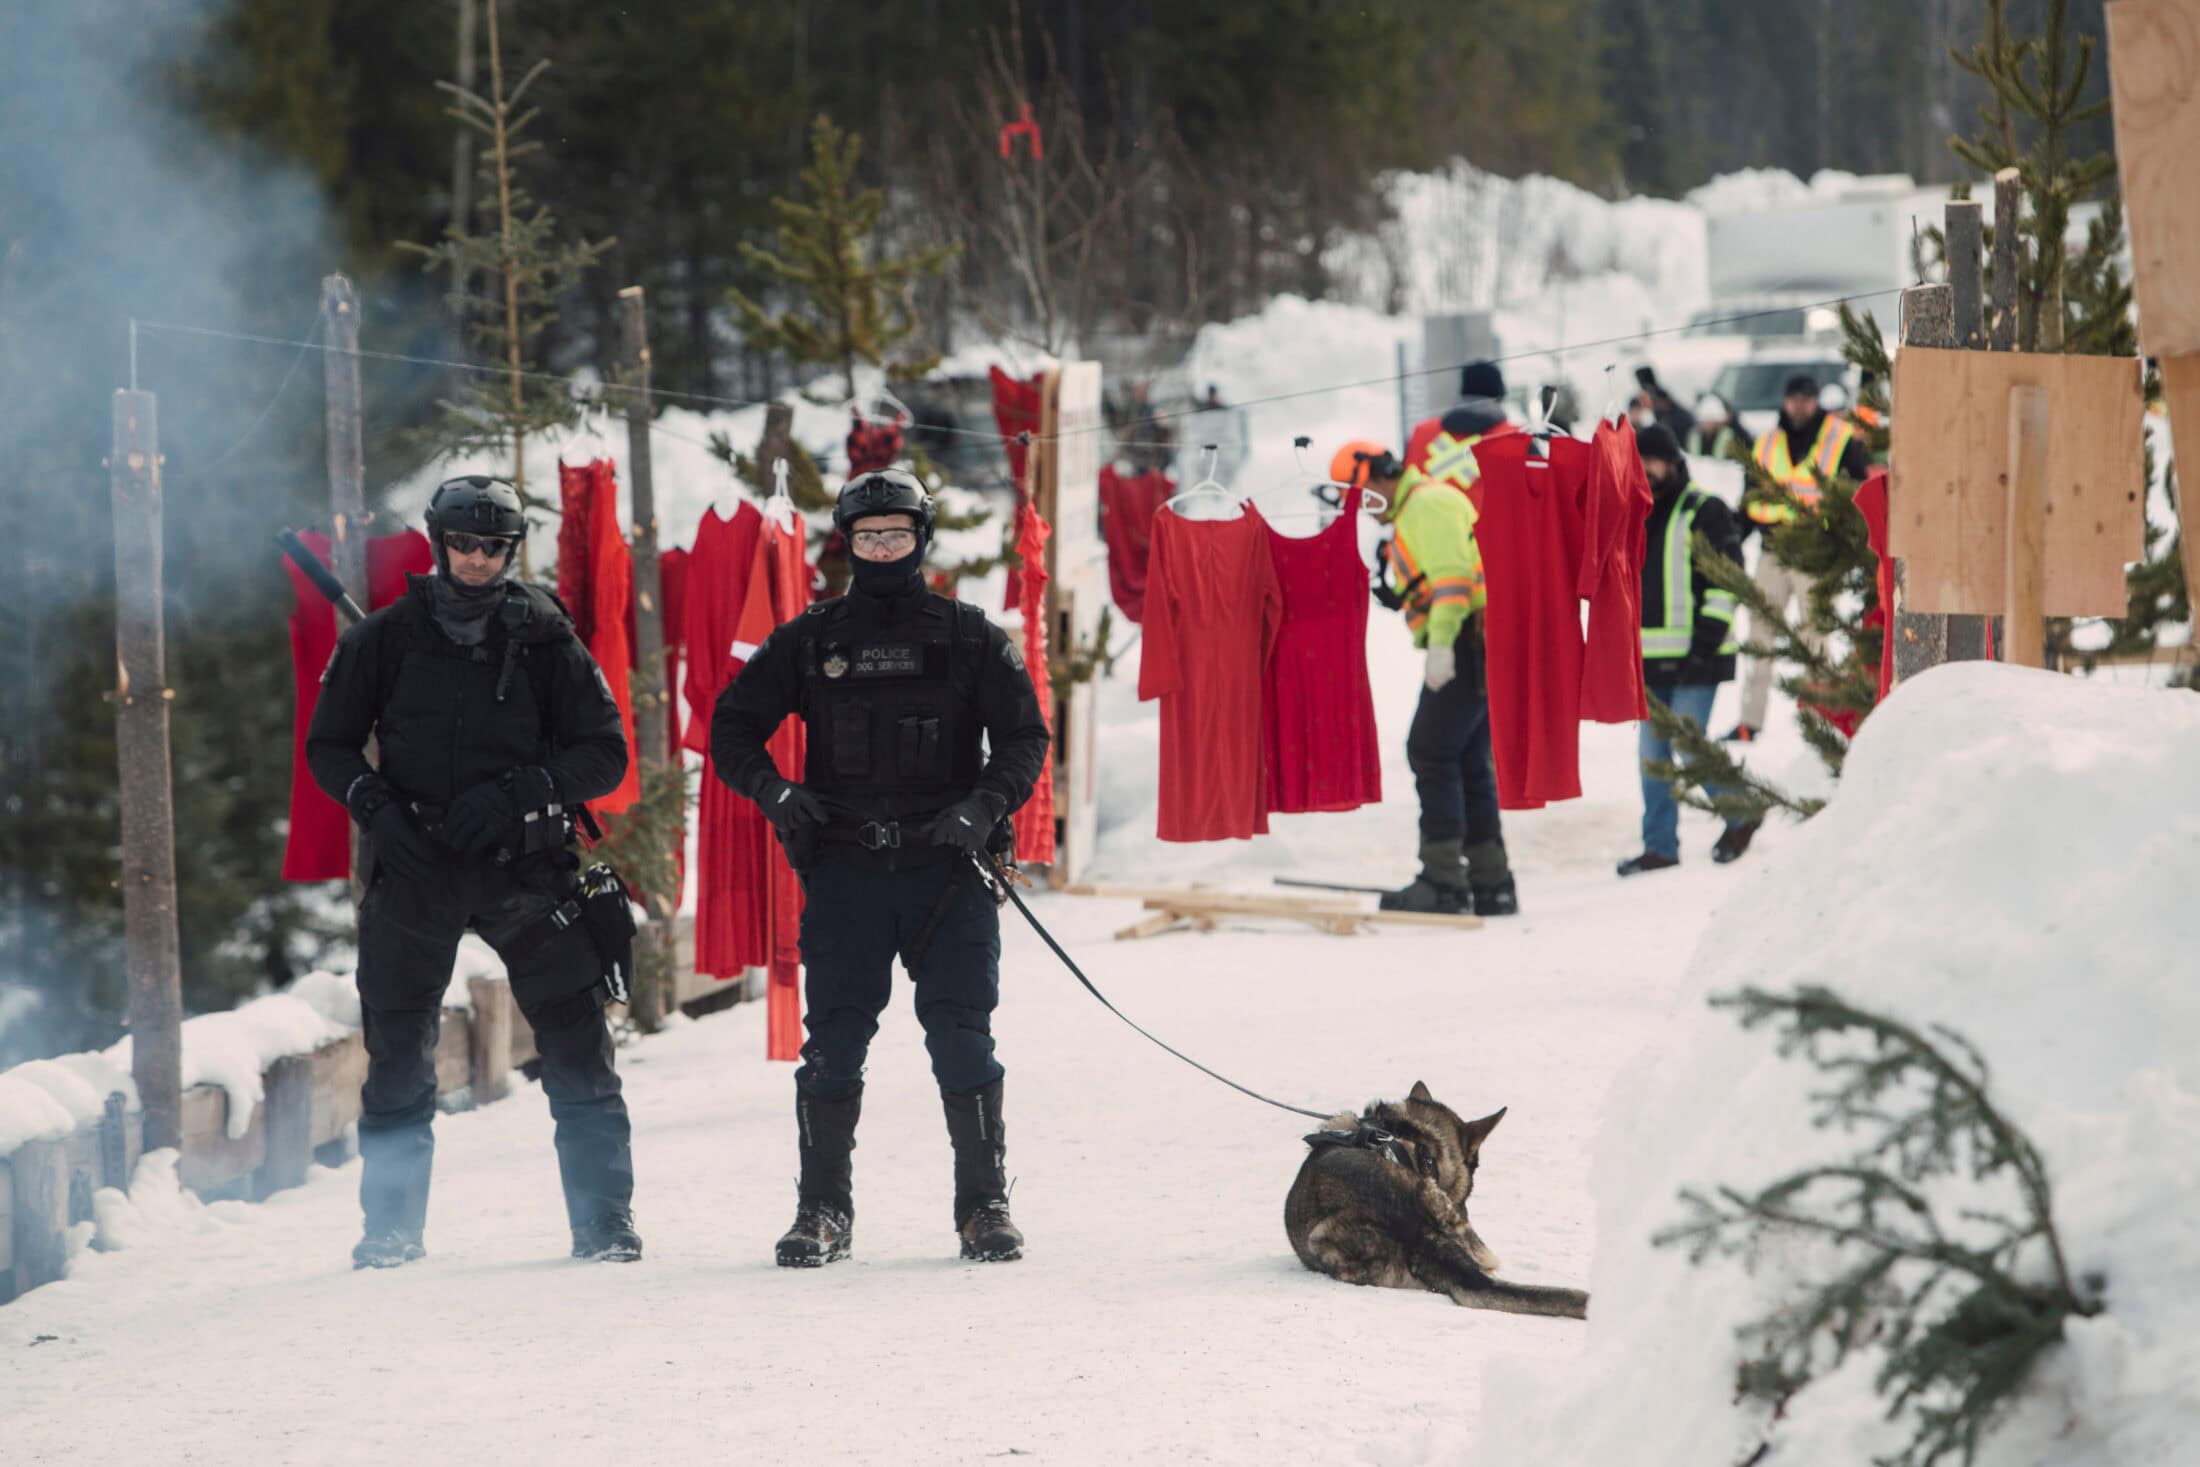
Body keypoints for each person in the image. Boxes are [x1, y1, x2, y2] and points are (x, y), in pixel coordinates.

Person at [710, 468, 1052, 1269]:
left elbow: (1026, 736)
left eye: (896, 535)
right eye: (868, 537)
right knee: (832, 1045)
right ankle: (822, 1210)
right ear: (848, 542)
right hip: (846, 874)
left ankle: (984, 1207)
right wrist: (775, 789)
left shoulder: (971, 636)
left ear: (920, 539)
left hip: (948, 870)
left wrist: (986, 804)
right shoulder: (811, 638)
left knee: (963, 1040)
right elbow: (732, 725)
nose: (883, 548)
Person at [307, 475, 639, 1268]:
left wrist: (527, 791)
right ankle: (389, 1230)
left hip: (527, 867)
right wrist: (377, 809)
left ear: (510, 550)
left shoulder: (547, 637)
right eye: (464, 543)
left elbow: (605, 752)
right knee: (397, 1052)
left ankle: (604, 1223)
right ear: (438, 542)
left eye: (494, 546)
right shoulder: (382, 639)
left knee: (577, 1044)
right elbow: (329, 747)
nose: (479, 559)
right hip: (416, 863)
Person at [1351, 442, 1518, 918]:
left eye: (1363, 495)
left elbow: (1452, 580)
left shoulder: (1425, 504)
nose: (1363, 508)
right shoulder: (1421, 505)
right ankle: (1491, 881)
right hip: (1480, 638)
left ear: (1382, 478)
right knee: (1465, 756)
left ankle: (1444, 880)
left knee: (1430, 749)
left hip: (1467, 638)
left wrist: (1442, 644)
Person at [1619, 427, 1761, 875]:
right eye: (1637, 463)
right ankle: (1659, 846)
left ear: (1674, 462)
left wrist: (1707, 638)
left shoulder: (1705, 509)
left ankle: (1741, 812)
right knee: (1652, 757)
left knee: (1688, 746)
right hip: (1648, 657)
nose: (1645, 471)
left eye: (1653, 462)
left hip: (1698, 656)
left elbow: (1727, 577)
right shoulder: (1631, 514)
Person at [1725, 373, 1877, 742]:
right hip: (1772, 552)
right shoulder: (1766, 443)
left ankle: (1819, 719)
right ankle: (1750, 721)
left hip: (1816, 554)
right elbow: (1749, 502)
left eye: (1806, 399)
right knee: (1759, 637)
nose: (1799, 405)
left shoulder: (1840, 440)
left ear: (1815, 401)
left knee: (1816, 639)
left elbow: (1858, 494)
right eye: (1794, 398)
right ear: (1786, 401)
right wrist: (1728, 542)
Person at [1403, 360, 1517, 498]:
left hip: (1425, 518)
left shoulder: (1422, 434)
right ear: (1499, 399)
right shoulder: (1516, 439)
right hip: (1490, 519)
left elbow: (1400, 490)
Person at [1684, 393, 1746, 462]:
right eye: (1706, 420)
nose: (1708, 423)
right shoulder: (1693, 435)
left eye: (1712, 420)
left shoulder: (1728, 435)